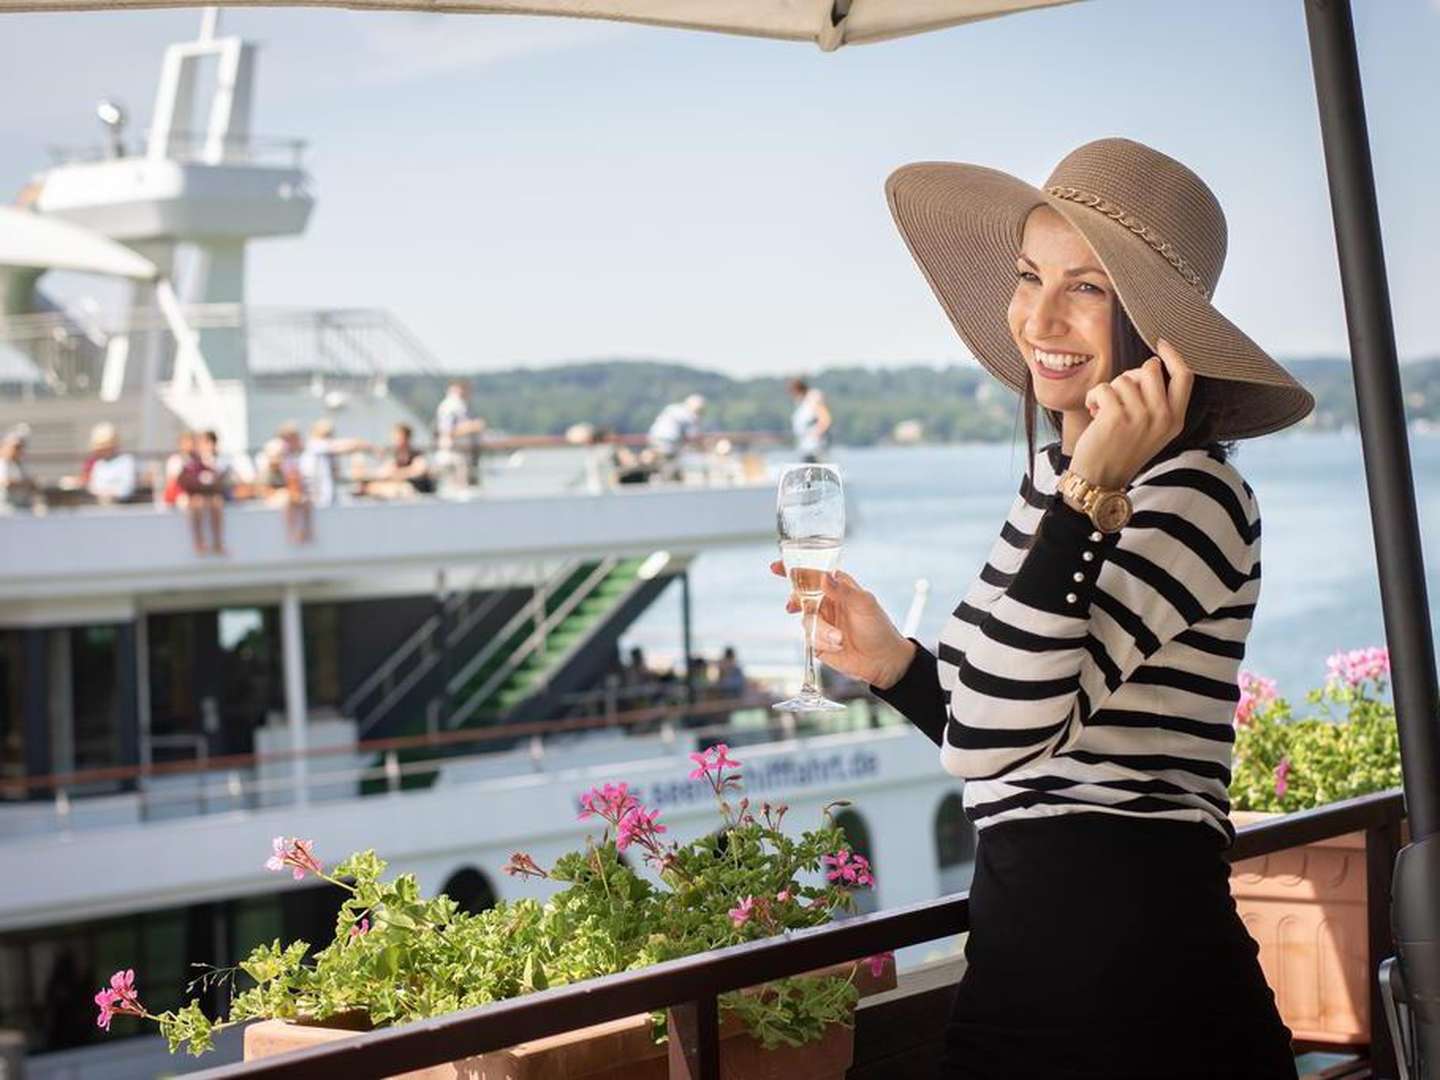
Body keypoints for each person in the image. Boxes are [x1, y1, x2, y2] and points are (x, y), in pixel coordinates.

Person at [773, 139, 1312, 1079]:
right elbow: (1014, 743)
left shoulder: (1192, 497)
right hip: (1030, 974)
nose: (1041, 317)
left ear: (1157, 330)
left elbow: (996, 737)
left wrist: (1087, 494)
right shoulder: (1054, 483)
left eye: (1091, 287)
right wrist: (895, 667)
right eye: (1030, 278)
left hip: (1144, 1000)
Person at [178, 430, 231, 555]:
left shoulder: (215, 460)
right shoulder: (191, 461)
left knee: (216, 503)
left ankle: (217, 543)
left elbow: (219, 479)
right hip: (194, 494)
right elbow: (185, 480)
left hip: (211, 494)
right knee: (198, 503)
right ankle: (199, 543)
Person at [302, 418, 370, 507]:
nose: (329, 437)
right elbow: (343, 446)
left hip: (328, 495)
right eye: (326, 434)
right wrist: (365, 446)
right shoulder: (314, 445)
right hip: (316, 496)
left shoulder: (325, 450)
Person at [435, 380, 486, 487]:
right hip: (454, 456)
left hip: (462, 456)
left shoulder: (460, 406)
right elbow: (447, 431)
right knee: (458, 492)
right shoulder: (450, 407)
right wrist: (472, 426)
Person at [364, 423, 433, 498]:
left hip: (418, 492)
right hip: (398, 489)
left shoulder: (417, 454)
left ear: (407, 438)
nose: (396, 441)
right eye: (395, 438)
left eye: (399, 438)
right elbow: (384, 472)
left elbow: (419, 470)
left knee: (404, 489)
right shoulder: (393, 455)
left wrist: (397, 474)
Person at [646, 393, 706, 479]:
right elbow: (693, 436)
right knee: (669, 464)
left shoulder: (673, 408)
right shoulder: (690, 415)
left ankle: (655, 477)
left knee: (661, 462)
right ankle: (665, 480)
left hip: (654, 437)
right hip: (668, 443)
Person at [84, 422, 138, 504]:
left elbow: (127, 488)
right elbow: (93, 486)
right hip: (100, 506)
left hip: (123, 506)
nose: (103, 451)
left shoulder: (126, 461)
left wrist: (110, 492)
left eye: (105, 447)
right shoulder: (98, 464)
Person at [788, 378, 832, 463]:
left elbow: (825, 419)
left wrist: (816, 433)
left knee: (816, 472)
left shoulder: (812, 400)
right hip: (807, 449)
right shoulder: (802, 403)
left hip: (816, 448)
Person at [0, 425, 37, 511]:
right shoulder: (2, 464)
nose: (19, 450)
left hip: (22, 507)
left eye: (21, 447)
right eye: (16, 447)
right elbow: (4, 482)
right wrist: (22, 483)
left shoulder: (20, 465)